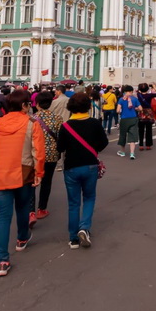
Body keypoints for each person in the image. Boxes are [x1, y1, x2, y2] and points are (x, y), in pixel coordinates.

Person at [0, 91, 43, 277]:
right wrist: (39, 172)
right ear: (25, 105)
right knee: (23, 208)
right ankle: (22, 239)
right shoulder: (32, 124)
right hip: (23, 173)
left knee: (3, 217)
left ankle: (2, 260)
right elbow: (37, 152)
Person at [57, 91, 108, 250]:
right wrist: (94, 149)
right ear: (87, 106)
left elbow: (60, 148)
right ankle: (84, 227)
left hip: (71, 167)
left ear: (71, 107)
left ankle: (73, 238)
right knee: (89, 197)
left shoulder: (65, 126)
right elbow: (104, 142)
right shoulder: (94, 123)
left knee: (73, 203)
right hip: (90, 165)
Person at [30, 91, 63, 223]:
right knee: (46, 181)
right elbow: (60, 137)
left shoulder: (31, 118)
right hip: (51, 155)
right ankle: (42, 208)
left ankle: (31, 211)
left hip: (35, 155)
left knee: (32, 181)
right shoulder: (57, 118)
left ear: (37, 104)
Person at [116, 85, 140, 159]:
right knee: (132, 136)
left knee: (123, 135)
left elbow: (117, 110)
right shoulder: (135, 99)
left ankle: (122, 152)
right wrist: (135, 108)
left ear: (124, 92)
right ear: (132, 91)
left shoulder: (121, 99)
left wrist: (122, 112)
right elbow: (140, 108)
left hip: (124, 119)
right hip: (133, 119)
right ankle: (132, 154)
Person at [136, 83, 156, 152]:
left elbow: (137, 91)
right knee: (149, 130)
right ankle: (148, 145)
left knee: (140, 130)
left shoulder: (139, 95)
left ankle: (141, 145)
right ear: (147, 89)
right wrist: (154, 87)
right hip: (148, 113)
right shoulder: (150, 95)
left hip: (141, 112)